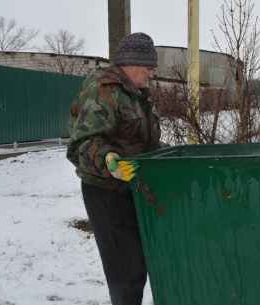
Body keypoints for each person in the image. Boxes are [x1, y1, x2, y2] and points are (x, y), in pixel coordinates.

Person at [66, 32, 161, 305]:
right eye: (148, 68)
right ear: (132, 65)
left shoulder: (137, 94)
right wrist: (109, 161)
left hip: (133, 187)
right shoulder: (103, 91)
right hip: (107, 191)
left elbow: (143, 141)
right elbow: (81, 144)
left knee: (141, 260)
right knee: (125, 269)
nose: (151, 75)